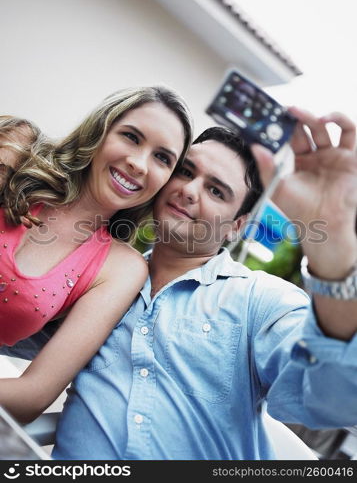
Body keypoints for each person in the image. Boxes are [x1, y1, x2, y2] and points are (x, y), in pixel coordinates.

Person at [4, 108, 357, 460]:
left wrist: (336, 264)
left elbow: (334, 399)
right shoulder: (97, 276)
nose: (189, 190)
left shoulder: (259, 300)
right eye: (185, 172)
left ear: (237, 226)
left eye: (217, 191)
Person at [0, 86, 193, 423]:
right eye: (131, 137)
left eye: (162, 158)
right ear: (100, 130)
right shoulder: (18, 150)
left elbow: (33, 395)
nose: (138, 164)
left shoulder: (121, 268)